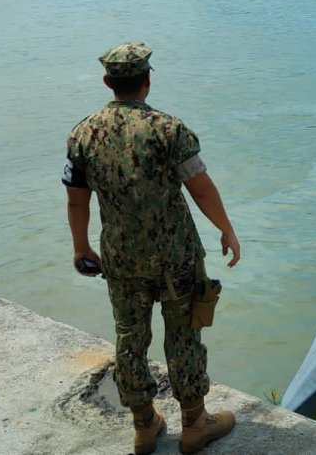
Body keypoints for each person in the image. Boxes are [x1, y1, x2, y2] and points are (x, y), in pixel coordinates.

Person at [63, 42, 240, 455]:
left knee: (130, 337)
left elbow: (76, 200)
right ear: (147, 81)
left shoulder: (82, 134)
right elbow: (200, 188)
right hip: (175, 256)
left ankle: (144, 426)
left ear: (107, 82)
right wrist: (227, 230)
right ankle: (195, 423)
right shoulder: (168, 130)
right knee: (184, 334)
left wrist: (80, 247)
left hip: (121, 258)